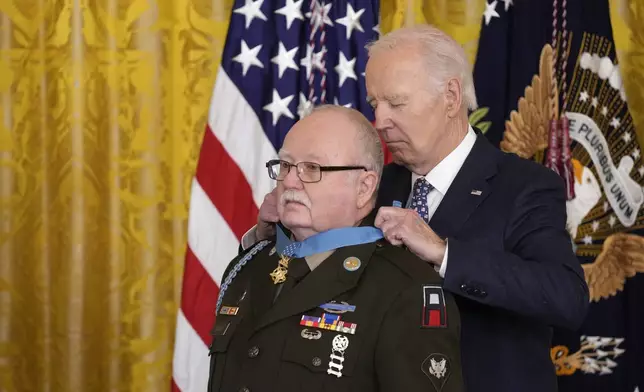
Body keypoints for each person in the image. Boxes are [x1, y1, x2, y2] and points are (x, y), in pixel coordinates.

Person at [243, 26, 590, 392]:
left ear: (451, 97)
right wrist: (270, 234)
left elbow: (567, 298)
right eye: (376, 104)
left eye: (397, 103)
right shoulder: (372, 185)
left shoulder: (524, 186)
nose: (380, 122)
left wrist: (443, 253)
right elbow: (310, 274)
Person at [208, 105, 464, 392]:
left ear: (364, 187)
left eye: (311, 169)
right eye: (286, 166)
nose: (290, 181)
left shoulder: (405, 290)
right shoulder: (249, 266)